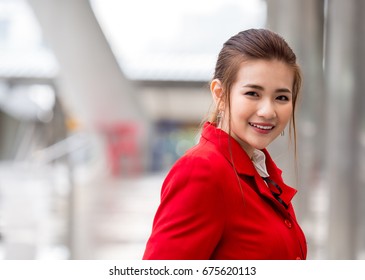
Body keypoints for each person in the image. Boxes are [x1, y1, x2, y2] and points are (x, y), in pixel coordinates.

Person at [143, 28, 307, 260]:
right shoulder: (202, 170)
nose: (268, 111)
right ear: (220, 94)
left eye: (281, 97)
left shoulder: (260, 171)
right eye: (252, 93)